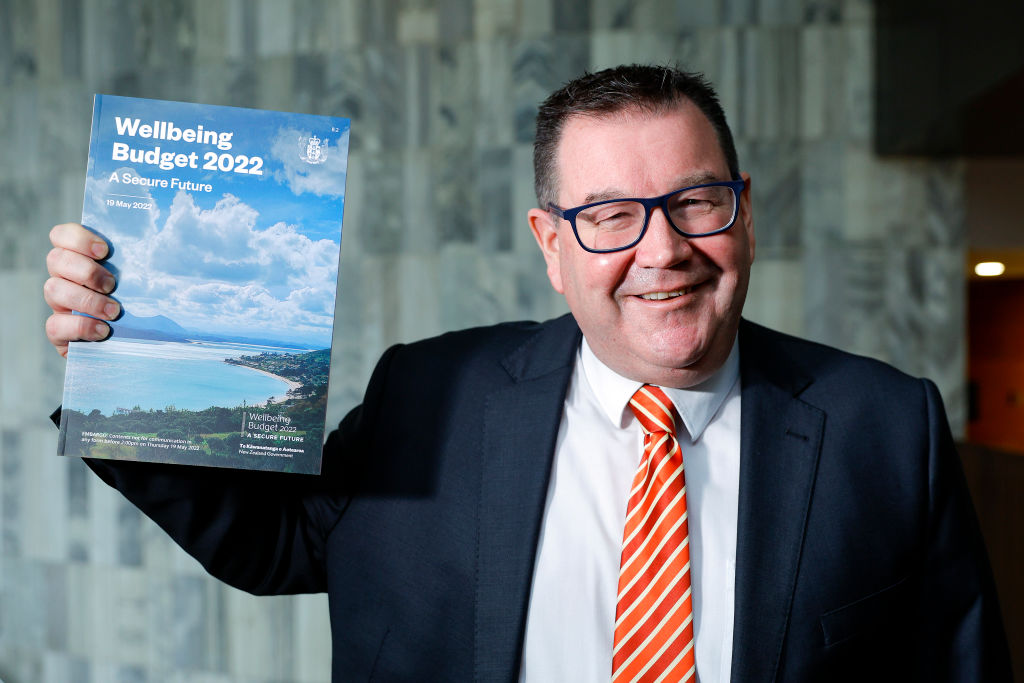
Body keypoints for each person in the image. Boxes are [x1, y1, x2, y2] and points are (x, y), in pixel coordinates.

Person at [44, 65, 1011, 681]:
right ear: (552, 245)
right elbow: (269, 543)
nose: (663, 249)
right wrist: (109, 351)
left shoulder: (890, 426)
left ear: (746, 216)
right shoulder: (429, 394)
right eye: (610, 215)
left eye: (696, 201)